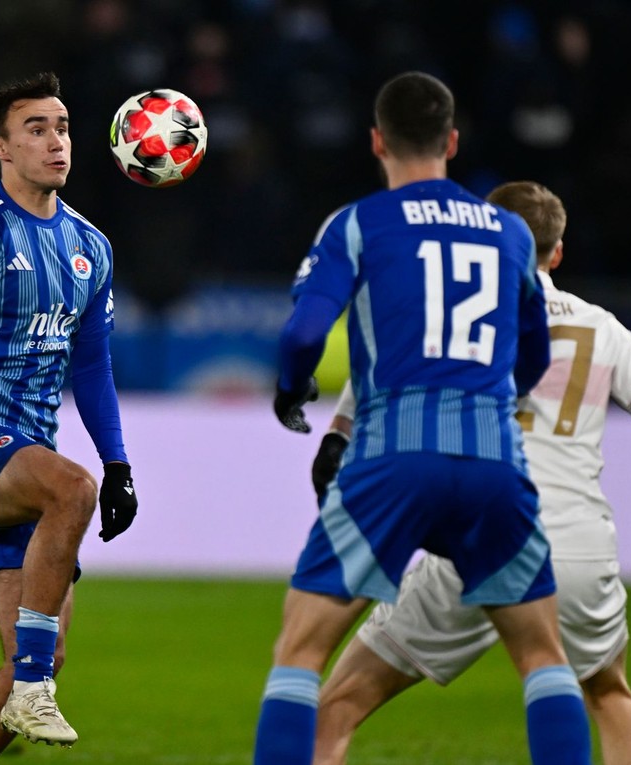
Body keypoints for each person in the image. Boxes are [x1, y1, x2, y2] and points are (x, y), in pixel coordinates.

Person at [255, 71, 594, 765]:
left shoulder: (357, 223)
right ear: (453, 141)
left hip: (394, 455)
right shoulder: (509, 233)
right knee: (541, 654)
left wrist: (292, 388)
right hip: (495, 455)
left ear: (378, 141)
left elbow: (302, 334)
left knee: (301, 649)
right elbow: (532, 356)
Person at [310, 181, 631, 765]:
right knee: (609, 693)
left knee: (339, 705)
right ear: (559, 253)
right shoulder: (602, 327)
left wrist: (338, 432)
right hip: (577, 547)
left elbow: (383, 358)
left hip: (477, 533)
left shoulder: (450, 311)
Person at [0, 71, 138, 764]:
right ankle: (34, 683)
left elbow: (93, 368)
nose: (55, 141)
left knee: (41, 652)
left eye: (63, 127)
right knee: (72, 489)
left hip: (29, 458)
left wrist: (120, 463)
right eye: (35, 129)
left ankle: (7, 707)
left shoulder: (90, 247)